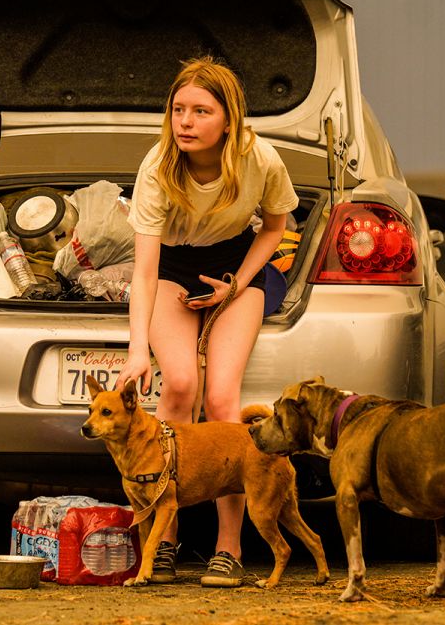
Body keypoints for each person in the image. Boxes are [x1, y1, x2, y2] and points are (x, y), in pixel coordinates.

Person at [115, 57, 298, 587]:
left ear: (229, 118)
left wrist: (236, 285)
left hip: (236, 267)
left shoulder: (259, 157)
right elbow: (145, 273)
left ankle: (228, 547)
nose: (185, 122)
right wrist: (135, 353)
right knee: (179, 385)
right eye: (178, 110)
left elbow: (275, 229)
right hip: (173, 267)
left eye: (201, 111)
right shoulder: (157, 166)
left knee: (222, 400)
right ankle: (164, 543)